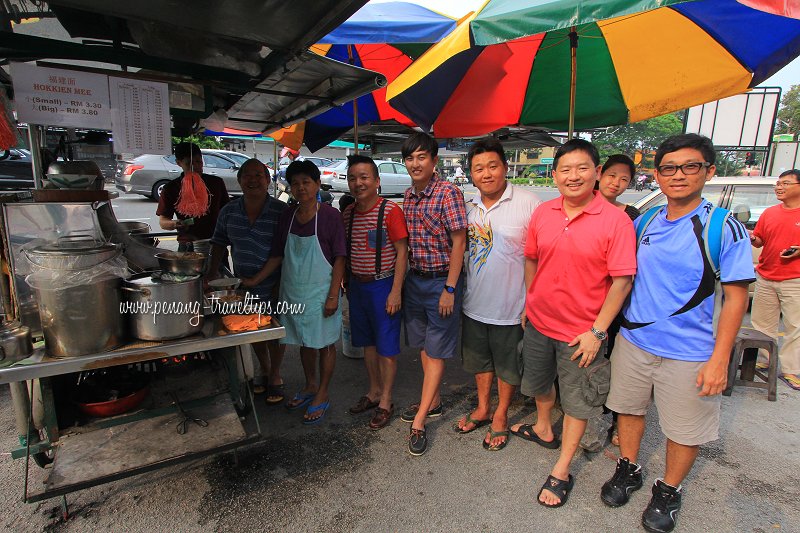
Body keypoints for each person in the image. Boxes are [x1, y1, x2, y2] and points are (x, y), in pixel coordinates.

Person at [602, 134, 754, 533]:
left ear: (709, 171)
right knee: (629, 410)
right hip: (634, 342)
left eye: (690, 166)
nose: (678, 175)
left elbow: (736, 299)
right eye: (669, 168)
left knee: (685, 428)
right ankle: (628, 468)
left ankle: (668, 490)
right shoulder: (645, 221)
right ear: (657, 175)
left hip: (690, 352)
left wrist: (719, 359)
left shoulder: (724, 227)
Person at [513, 138, 636, 507]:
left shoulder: (615, 221)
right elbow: (531, 259)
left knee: (579, 402)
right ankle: (542, 426)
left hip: (581, 335)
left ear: (596, 173)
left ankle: (562, 468)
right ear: (554, 175)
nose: (573, 176)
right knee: (536, 385)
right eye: (565, 169)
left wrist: (597, 332)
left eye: (582, 168)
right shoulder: (544, 212)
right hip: (538, 324)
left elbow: (622, 281)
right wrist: (530, 301)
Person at [245, 160, 346, 425]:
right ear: (290, 187)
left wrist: (334, 295)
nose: (301, 188)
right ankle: (310, 385)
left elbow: (339, 258)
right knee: (303, 340)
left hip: (321, 292)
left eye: (307, 182)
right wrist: (256, 279)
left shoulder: (329, 216)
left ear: (317, 184)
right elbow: (278, 255)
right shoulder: (287, 215)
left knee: (323, 343)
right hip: (292, 291)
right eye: (296, 183)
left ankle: (322, 393)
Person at [455, 139, 541, 451]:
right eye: (479, 168)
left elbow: (541, 256)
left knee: (507, 365)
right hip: (474, 303)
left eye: (493, 166)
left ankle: (501, 414)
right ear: (471, 173)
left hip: (512, 305)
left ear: (505, 167)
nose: (487, 173)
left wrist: (532, 300)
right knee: (480, 362)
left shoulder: (528, 203)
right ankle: (482, 407)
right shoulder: (467, 206)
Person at [400, 132, 468, 456]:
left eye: (421, 157)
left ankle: (421, 421)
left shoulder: (448, 193)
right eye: (410, 158)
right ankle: (435, 401)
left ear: (434, 160)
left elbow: (459, 243)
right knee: (424, 347)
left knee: (436, 351)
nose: (415, 163)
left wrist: (450, 289)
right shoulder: (408, 196)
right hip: (415, 281)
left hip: (442, 282)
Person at [208, 159, 287, 404]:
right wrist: (211, 274)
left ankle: (274, 375)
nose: (253, 180)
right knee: (253, 328)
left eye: (259, 175)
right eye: (248, 176)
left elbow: (286, 251)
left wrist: (269, 281)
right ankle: (264, 369)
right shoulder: (229, 211)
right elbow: (218, 243)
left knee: (275, 331)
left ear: (268, 180)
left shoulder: (280, 211)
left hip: (276, 281)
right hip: (242, 285)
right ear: (240, 180)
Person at [342, 155, 409, 429]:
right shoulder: (347, 214)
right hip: (357, 286)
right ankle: (373, 392)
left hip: (384, 286)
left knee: (387, 347)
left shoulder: (391, 211)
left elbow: (403, 252)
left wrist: (396, 291)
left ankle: (386, 400)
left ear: (377, 181)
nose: (358, 183)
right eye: (353, 178)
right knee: (367, 344)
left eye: (364, 177)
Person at [583, 153, 641, 450]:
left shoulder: (630, 216)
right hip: (581, 299)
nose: (616, 183)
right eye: (612, 176)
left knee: (611, 360)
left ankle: (615, 418)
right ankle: (582, 414)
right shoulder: (580, 203)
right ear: (599, 173)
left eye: (624, 180)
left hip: (614, 302)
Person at [749, 169, 800, 390]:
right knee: (762, 325)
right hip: (766, 276)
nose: (779, 187)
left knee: (794, 327)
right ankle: (763, 362)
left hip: (794, 279)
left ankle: (791, 370)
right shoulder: (770, 213)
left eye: (786, 183)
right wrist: (752, 237)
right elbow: (759, 241)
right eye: (778, 184)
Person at [157, 142, 230, 251]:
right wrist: (175, 224)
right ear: (179, 163)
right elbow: (163, 222)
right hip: (188, 245)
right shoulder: (171, 188)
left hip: (215, 243)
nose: (195, 167)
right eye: (189, 163)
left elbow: (227, 212)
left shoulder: (216, 183)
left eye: (198, 161)